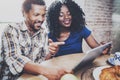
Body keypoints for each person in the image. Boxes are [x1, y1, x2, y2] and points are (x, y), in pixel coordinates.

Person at [0, 0, 70, 80]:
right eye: (36, 15)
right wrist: (45, 71)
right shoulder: (11, 30)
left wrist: (51, 53)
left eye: (43, 15)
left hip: (33, 77)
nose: (41, 19)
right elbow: (15, 58)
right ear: (24, 13)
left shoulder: (43, 33)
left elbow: (43, 61)